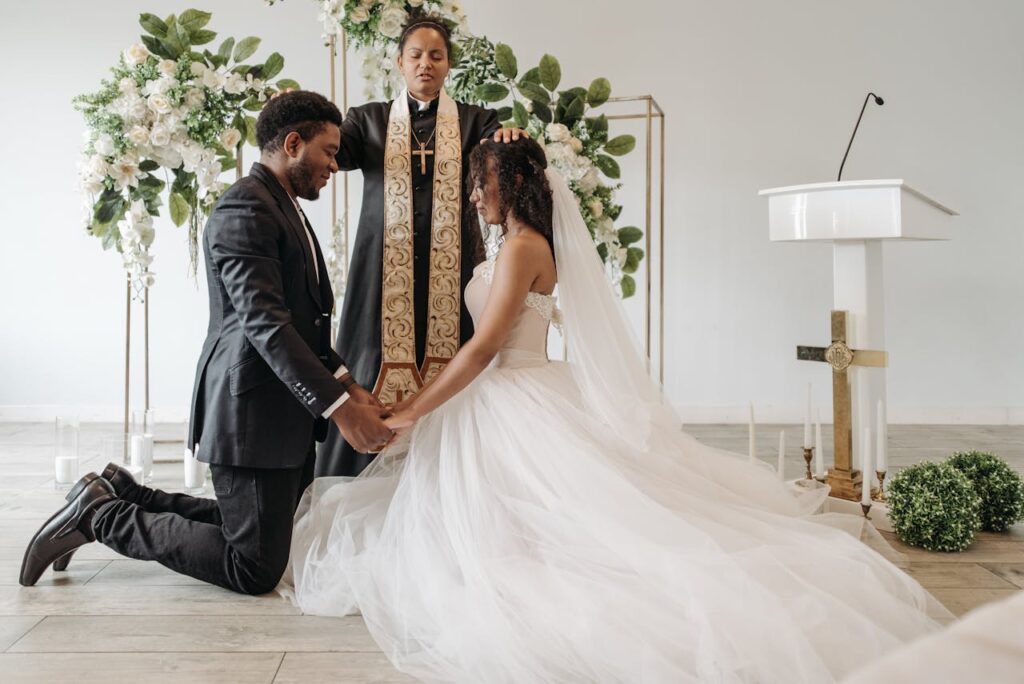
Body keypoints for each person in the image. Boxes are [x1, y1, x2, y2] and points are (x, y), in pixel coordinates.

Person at [283, 138, 950, 682]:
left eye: (481, 183)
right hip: (498, 397)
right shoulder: (510, 243)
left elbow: (485, 349)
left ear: (512, 184)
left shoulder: (525, 247)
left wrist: (410, 412)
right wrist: (418, 404)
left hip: (516, 393)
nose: (474, 196)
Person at [20, 90, 392, 594]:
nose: (334, 164)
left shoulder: (283, 205)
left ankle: (121, 493)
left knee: (267, 531)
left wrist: (347, 383)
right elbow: (266, 324)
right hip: (251, 412)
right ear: (293, 144)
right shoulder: (246, 206)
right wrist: (339, 409)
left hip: (282, 410)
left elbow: (307, 320)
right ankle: (101, 517)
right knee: (254, 568)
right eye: (328, 151)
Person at [316, 14, 526, 477]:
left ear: (449, 64)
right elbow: (332, 151)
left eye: (436, 55)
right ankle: (353, 473)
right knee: (370, 359)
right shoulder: (367, 120)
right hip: (381, 271)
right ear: (399, 62)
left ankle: (453, 481)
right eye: (415, 55)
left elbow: (504, 160)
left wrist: (511, 140)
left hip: (454, 268)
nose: (425, 64)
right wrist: (299, 118)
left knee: (459, 357)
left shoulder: (477, 121)